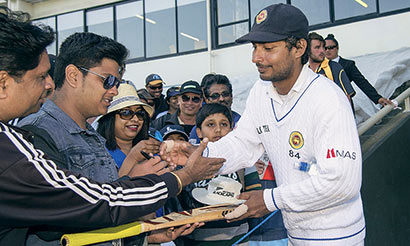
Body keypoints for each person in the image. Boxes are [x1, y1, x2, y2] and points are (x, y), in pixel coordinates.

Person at [0, 7, 224, 245]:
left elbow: (96, 206)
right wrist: (184, 176)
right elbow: (93, 204)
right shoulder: (34, 135)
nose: (48, 84)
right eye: (107, 81)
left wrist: (145, 236)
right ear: (74, 76)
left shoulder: (90, 135)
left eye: (117, 83)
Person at [162, 4, 365, 245]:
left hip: (337, 236)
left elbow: (342, 182)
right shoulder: (261, 91)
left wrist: (269, 200)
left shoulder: (328, 98)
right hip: (296, 233)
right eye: (255, 47)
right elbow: (243, 144)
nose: (256, 57)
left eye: (268, 48)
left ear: (300, 47)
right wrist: (200, 152)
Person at [170, 103, 261, 246]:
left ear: (232, 130)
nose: (218, 130)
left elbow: (255, 196)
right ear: (199, 132)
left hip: (238, 239)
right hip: (198, 240)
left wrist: (241, 206)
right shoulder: (188, 164)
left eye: (224, 124)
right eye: (210, 125)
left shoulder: (244, 163)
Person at [325, 34, 392, 106]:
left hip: (345, 103)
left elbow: (362, 82)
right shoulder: (318, 66)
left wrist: (378, 98)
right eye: (325, 48)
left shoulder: (348, 65)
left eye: (331, 47)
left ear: (337, 48)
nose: (328, 50)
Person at [189, 73, 241, 144]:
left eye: (225, 94)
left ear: (231, 97)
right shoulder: (198, 129)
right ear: (207, 99)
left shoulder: (242, 123)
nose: (221, 99)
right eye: (215, 96)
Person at [307, 32, 355, 104]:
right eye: (317, 47)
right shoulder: (305, 71)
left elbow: (346, 98)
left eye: (323, 47)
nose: (322, 51)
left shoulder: (334, 67)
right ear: (307, 50)